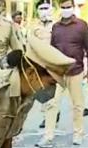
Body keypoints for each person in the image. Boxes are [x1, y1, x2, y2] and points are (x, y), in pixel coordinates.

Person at [36, 0, 88, 148]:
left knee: (77, 105)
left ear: (73, 7)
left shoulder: (81, 25)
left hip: (75, 71)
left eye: (68, 7)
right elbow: (52, 50)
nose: (66, 9)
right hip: (57, 73)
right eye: (63, 7)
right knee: (51, 104)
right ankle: (48, 137)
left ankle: (78, 134)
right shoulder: (55, 27)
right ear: (59, 9)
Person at [28, 0, 61, 129]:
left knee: (55, 91)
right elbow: (31, 44)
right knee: (43, 90)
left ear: (51, 9)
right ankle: (47, 117)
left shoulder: (57, 26)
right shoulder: (34, 27)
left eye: (46, 8)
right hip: (40, 63)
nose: (43, 11)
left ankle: (53, 114)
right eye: (41, 8)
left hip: (55, 62)